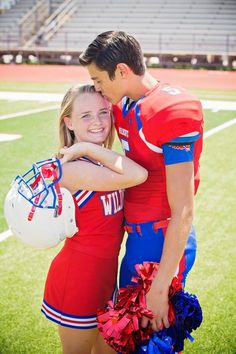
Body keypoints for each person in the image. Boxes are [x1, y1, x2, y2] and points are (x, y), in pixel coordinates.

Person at [76, 31, 204, 337]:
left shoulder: (171, 111)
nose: (97, 87)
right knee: (129, 335)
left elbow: (184, 210)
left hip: (158, 239)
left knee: (151, 339)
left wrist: (160, 286)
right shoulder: (127, 103)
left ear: (122, 71)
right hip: (137, 235)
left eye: (99, 80)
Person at [41, 84, 148, 354]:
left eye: (103, 112)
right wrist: (87, 148)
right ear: (69, 122)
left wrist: (90, 149)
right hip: (78, 280)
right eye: (86, 115)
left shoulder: (100, 161)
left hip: (106, 277)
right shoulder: (75, 168)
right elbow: (137, 174)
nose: (98, 122)